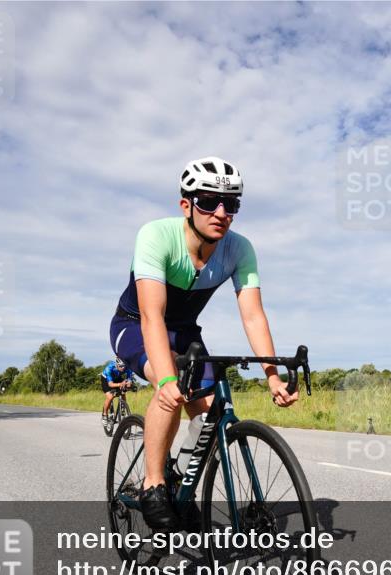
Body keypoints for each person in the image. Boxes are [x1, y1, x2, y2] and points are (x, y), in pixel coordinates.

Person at [109, 156, 297, 531]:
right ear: (187, 205)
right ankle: (153, 484)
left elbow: (253, 316)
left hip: (186, 332)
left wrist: (272, 376)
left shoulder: (239, 249)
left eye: (232, 204)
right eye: (209, 201)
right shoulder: (156, 236)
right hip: (136, 325)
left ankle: (181, 478)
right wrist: (164, 382)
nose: (222, 212)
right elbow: (151, 316)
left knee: (212, 412)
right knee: (173, 388)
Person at [101, 357, 135, 425]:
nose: (123, 368)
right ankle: (104, 415)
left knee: (123, 392)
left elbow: (129, 379)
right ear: (116, 365)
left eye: (124, 366)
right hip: (106, 379)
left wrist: (128, 383)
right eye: (121, 366)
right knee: (110, 396)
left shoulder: (127, 368)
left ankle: (123, 408)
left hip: (117, 377)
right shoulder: (109, 368)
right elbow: (110, 384)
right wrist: (120, 384)